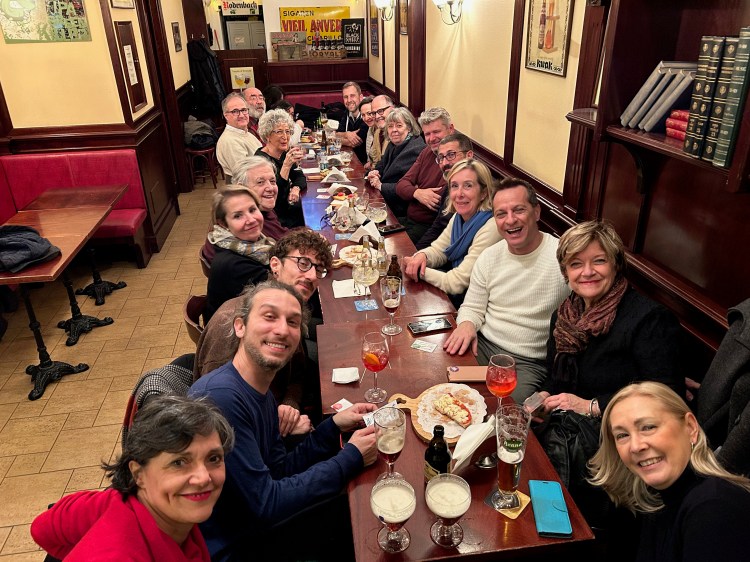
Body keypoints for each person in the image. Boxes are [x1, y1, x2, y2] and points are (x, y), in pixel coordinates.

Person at [189, 280, 377, 561]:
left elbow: (278, 469)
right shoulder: (221, 398)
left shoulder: (261, 391)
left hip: (254, 524)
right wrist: (351, 457)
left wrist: (332, 427)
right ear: (240, 326)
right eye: (269, 316)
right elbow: (266, 504)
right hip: (233, 546)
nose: (281, 329)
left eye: (293, 322)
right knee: (365, 519)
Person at [536, 220, 683, 528]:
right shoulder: (565, 316)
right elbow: (558, 378)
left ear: (616, 265)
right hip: (569, 433)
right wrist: (544, 397)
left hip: (622, 441)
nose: (587, 272)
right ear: (565, 272)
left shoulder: (648, 318)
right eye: (576, 264)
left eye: (599, 261)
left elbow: (667, 394)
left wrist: (591, 405)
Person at [31, 395, 235, 561]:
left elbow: (43, 528)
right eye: (179, 462)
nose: (203, 478)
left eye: (213, 458)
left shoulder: (121, 503)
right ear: (138, 474)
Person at [589, 381, 750, 561]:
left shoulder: (714, 508)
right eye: (622, 435)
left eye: (649, 427)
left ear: (690, 427)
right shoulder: (655, 501)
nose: (635, 446)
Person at [194, 229, 333, 435]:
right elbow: (218, 423)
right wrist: (277, 426)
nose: (312, 276)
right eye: (303, 263)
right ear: (275, 265)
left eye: (319, 269)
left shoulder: (289, 310)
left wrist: (290, 404)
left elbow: (297, 371)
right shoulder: (232, 324)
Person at [443, 178, 569, 402]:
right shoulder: (489, 256)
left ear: (536, 212)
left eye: (519, 210)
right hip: (483, 346)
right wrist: (467, 323)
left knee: (501, 414)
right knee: (440, 390)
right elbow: (472, 306)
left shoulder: (563, 257)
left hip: (527, 363)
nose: (510, 220)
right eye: (501, 214)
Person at [402, 159, 501, 306]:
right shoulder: (458, 217)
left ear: (483, 193)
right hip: (461, 296)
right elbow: (439, 250)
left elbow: (456, 283)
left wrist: (418, 270)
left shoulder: (492, 226)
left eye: (468, 186)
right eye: (454, 186)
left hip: (481, 305)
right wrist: (422, 256)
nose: (459, 194)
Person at [204, 186, 273, 322]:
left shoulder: (255, 243)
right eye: (238, 216)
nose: (251, 220)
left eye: (252, 210)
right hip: (235, 330)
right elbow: (283, 293)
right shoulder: (235, 265)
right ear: (223, 224)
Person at [395, 107, 455, 243]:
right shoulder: (427, 152)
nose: (432, 138)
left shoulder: (455, 160)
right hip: (407, 220)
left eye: (436, 132)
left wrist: (412, 190)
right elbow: (401, 185)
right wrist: (417, 192)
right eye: (427, 134)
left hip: (428, 229)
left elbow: (437, 200)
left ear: (451, 129)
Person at [415, 132, 474, 250]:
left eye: (451, 155)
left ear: (469, 155)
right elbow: (439, 227)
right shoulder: (451, 183)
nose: (445, 163)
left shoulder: (480, 188)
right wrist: (416, 252)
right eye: (441, 158)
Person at [366, 106, 425, 219]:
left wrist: (380, 185)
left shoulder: (415, 149)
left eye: (399, 125)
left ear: (409, 128)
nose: (394, 130)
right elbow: (382, 164)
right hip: (385, 200)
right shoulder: (395, 143)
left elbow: (407, 187)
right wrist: (375, 172)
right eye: (390, 126)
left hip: (400, 210)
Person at [256, 109, 306, 228]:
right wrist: (286, 166)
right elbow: (274, 197)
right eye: (279, 132)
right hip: (276, 217)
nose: (285, 137)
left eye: (287, 131)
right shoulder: (261, 161)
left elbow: (299, 176)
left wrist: (296, 188)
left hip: (289, 208)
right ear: (268, 135)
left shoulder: (283, 153)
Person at [232, 156, 288, 240]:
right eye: (260, 182)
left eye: (272, 181)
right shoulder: (248, 226)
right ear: (241, 188)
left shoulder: (263, 208)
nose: (270, 188)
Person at [216, 93, 261, 182]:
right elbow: (243, 176)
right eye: (235, 111)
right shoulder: (230, 141)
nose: (241, 115)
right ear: (226, 115)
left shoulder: (245, 133)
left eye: (244, 110)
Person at [336, 81, 368, 164]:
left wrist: (337, 138)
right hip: (350, 159)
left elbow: (354, 143)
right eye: (346, 97)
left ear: (361, 97)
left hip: (364, 163)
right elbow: (336, 134)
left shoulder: (367, 114)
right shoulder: (347, 111)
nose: (349, 100)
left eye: (352, 96)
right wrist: (347, 134)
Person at [367, 94, 394, 169]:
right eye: (374, 113)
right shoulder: (377, 133)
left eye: (380, 111)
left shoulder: (398, 134)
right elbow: (375, 162)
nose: (377, 116)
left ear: (392, 108)